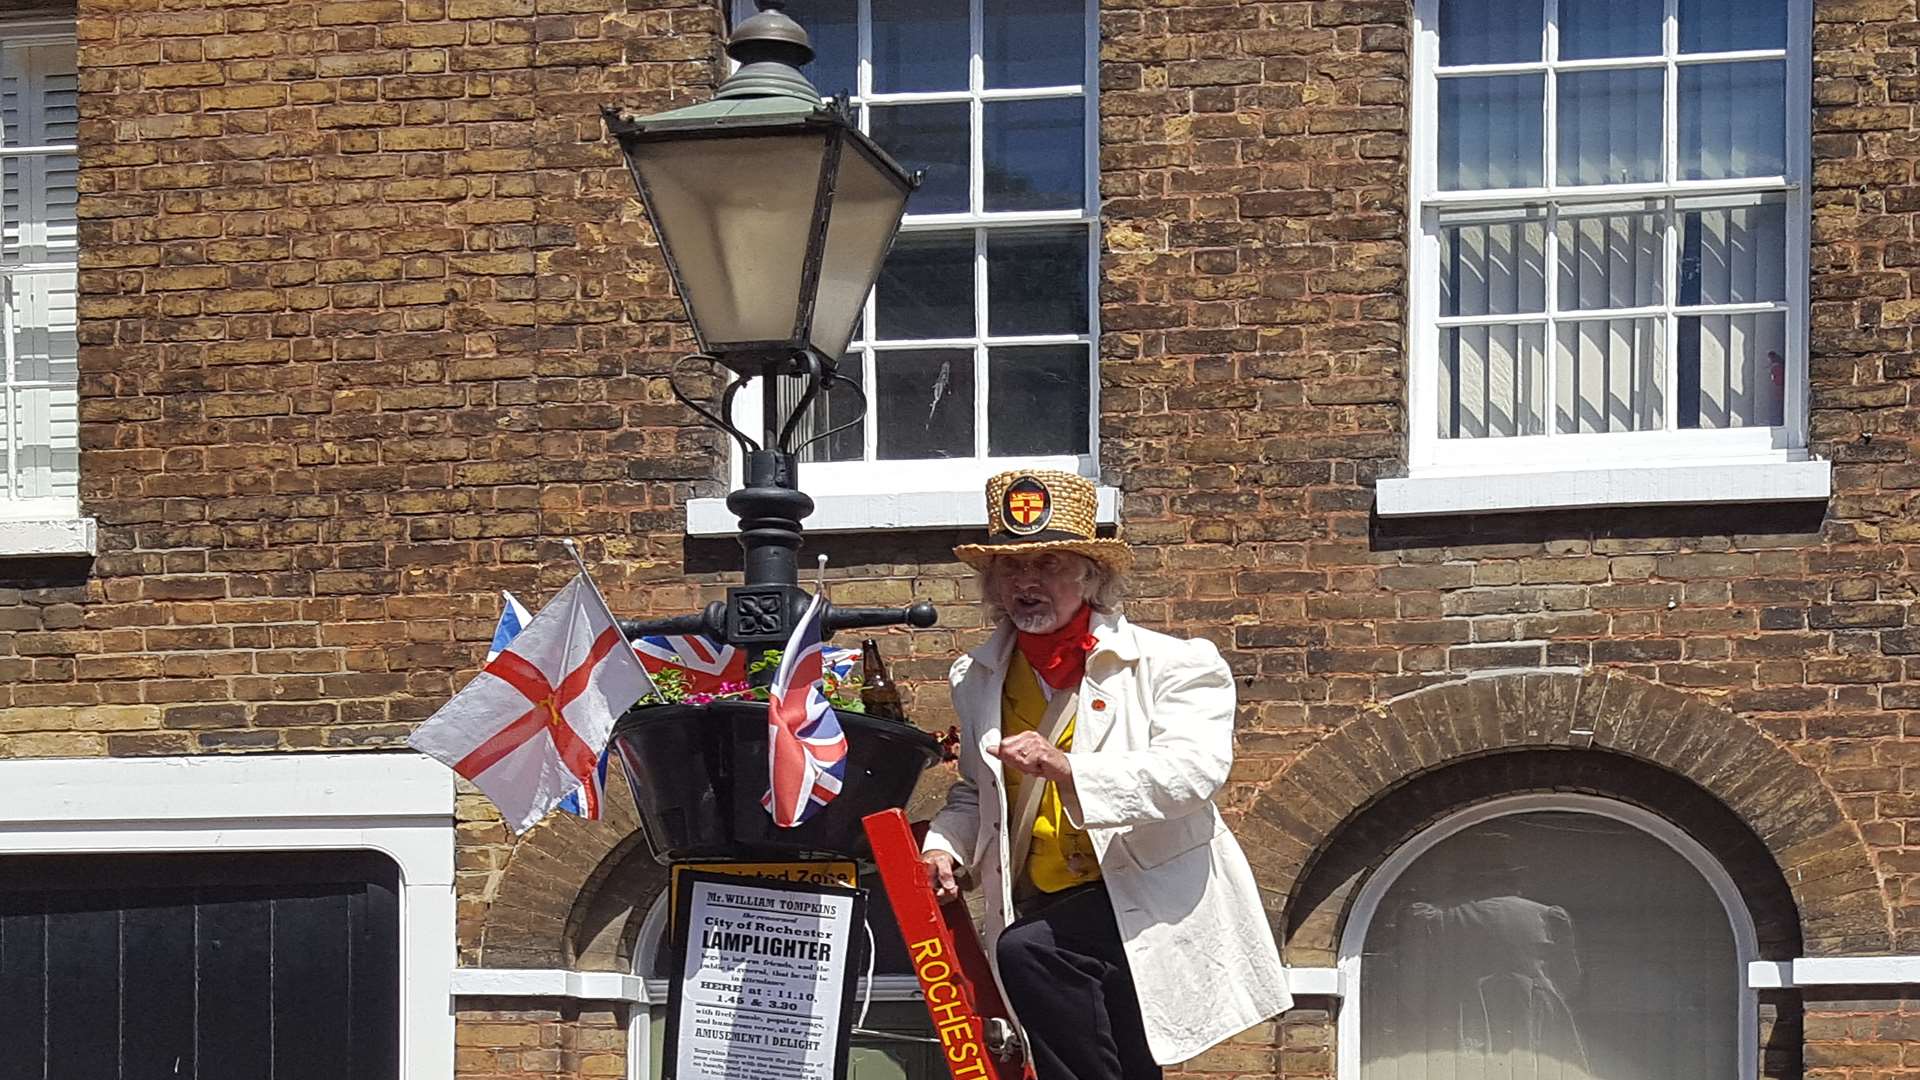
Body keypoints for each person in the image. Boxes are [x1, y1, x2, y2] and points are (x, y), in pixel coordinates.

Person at [920, 470, 1292, 1079]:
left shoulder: (1173, 662)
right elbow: (975, 788)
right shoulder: (976, 676)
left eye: (1048, 563)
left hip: (1143, 895)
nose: (1027, 582)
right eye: (1011, 569)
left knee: (1030, 953)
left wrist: (1071, 770)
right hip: (1042, 894)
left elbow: (1195, 773)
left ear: (1091, 576)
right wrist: (944, 849)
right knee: (1124, 1056)